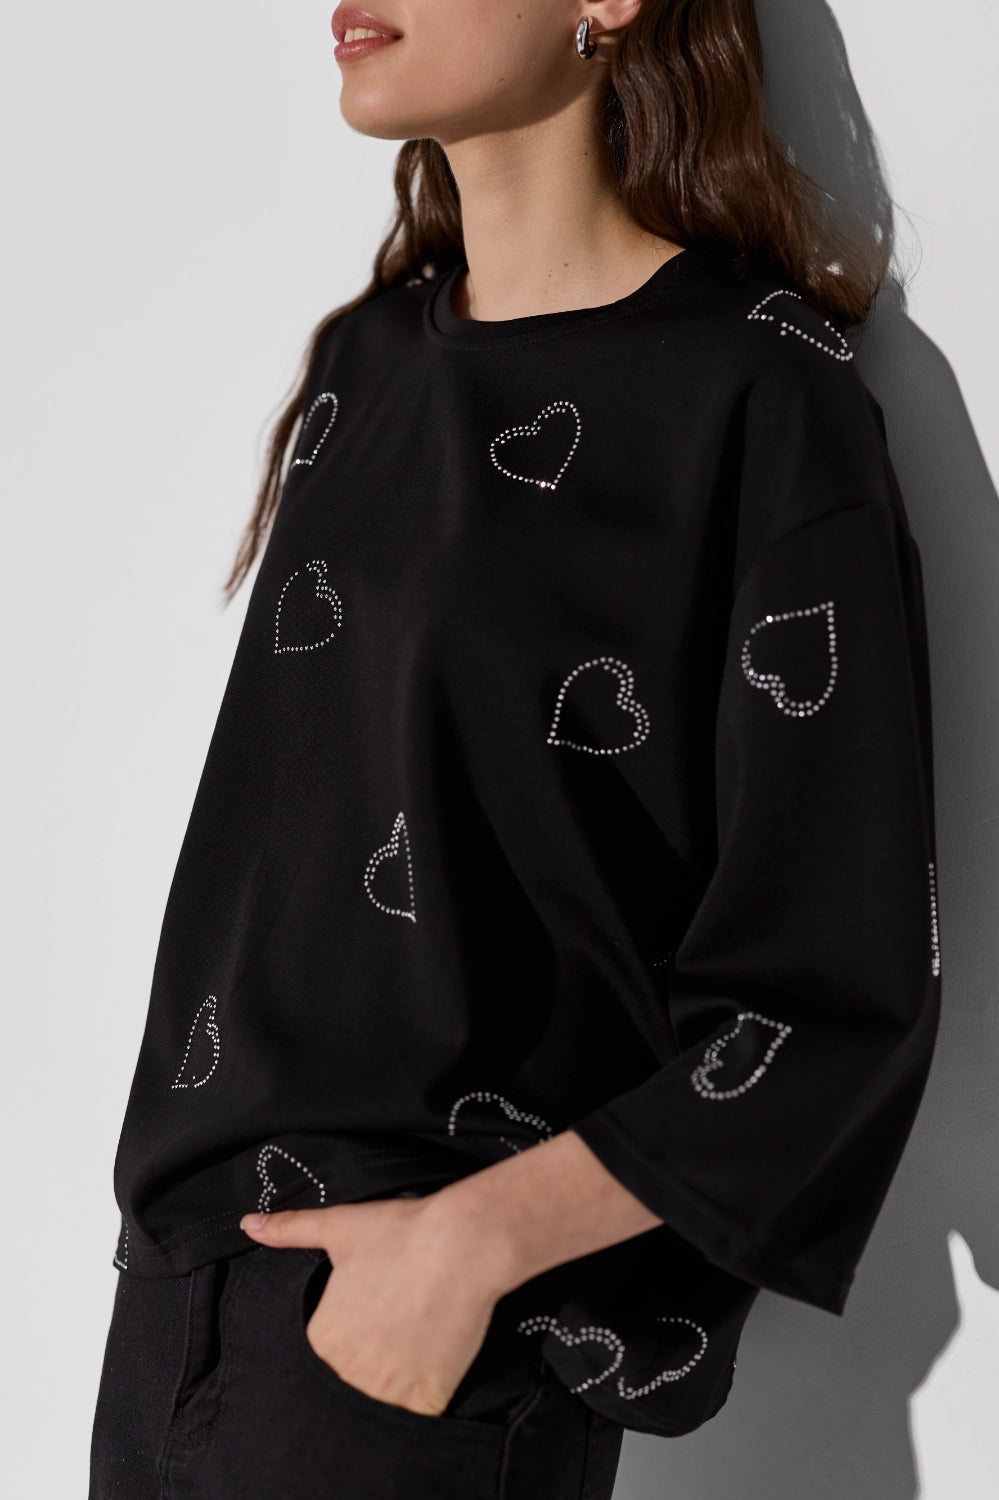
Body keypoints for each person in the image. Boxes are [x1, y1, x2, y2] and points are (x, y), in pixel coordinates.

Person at [89, 2, 942, 1496]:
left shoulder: (756, 393)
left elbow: (835, 980)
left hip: (426, 1350)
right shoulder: (366, 358)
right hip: (178, 1306)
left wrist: (469, 1252)